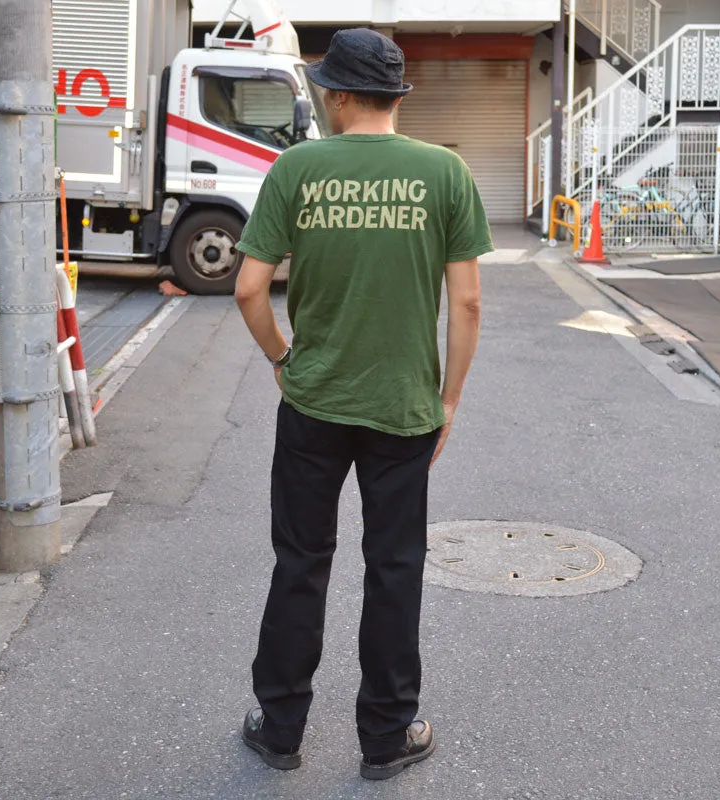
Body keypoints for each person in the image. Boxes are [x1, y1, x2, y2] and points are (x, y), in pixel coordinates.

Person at [234, 27, 492, 781]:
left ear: (341, 95)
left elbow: (249, 288)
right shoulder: (445, 172)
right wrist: (447, 399)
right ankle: (385, 737)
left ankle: (280, 729)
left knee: (301, 563)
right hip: (404, 407)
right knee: (394, 566)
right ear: (395, 95)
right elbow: (468, 302)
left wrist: (283, 358)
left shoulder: (297, 169)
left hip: (314, 401)